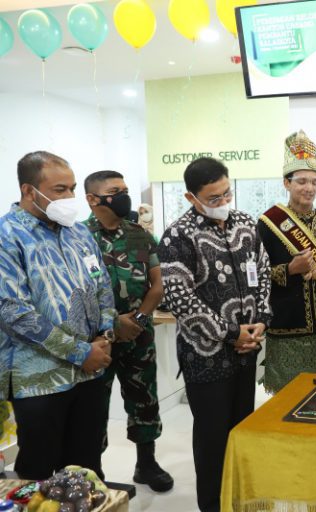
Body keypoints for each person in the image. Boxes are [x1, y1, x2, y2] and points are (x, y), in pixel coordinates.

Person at [158, 157, 271, 512]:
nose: (223, 202)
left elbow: (263, 272)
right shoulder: (178, 236)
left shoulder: (247, 225)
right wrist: (230, 333)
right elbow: (181, 299)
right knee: (211, 439)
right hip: (206, 357)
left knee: (240, 433)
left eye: (226, 193)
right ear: (192, 198)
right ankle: (212, 505)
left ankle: (239, 500)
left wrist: (261, 320)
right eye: (213, 198)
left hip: (246, 350)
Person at [0, 151, 115, 480]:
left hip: (91, 373)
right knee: (38, 472)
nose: (69, 198)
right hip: (39, 380)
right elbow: (13, 312)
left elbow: (102, 286)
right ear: (28, 191)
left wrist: (104, 337)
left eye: (72, 189)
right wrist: (82, 352)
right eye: (60, 189)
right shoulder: (7, 236)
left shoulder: (79, 233)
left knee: (87, 467)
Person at [83, 171, 173, 492]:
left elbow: (157, 284)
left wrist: (138, 317)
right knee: (93, 407)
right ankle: (94, 473)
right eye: (114, 191)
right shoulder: (78, 237)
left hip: (139, 333)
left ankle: (146, 464)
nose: (123, 195)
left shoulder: (140, 234)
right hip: (97, 340)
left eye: (124, 189)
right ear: (93, 199)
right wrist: (113, 324)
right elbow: (76, 294)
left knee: (144, 399)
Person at [257, 130, 316, 393]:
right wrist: (289, 270)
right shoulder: (267, 223)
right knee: (287, 400)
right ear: (287, 183)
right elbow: (256, 274)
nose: (309, 188)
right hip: (285, 327)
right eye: (302, 181)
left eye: (314, 182)